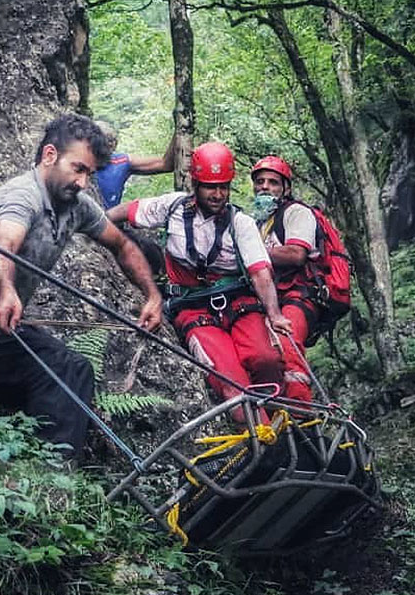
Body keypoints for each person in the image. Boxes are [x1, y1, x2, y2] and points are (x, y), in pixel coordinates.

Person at [0, 114, 163, 459]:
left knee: (70, 377)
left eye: (89, 174)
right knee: (67, 367)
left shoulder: (77, 206)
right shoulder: (23, 196)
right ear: (49, 155)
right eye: (77, 168)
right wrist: (6, 291)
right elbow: (3, 243)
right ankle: (53, 477)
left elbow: (122, 245)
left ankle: (45, 460)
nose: (82, 182)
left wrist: (152, 296)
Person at [106, 142, 292, 416]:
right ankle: (258, 436)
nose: (218, 194)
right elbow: (129, 210)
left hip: (238, 304)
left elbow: (260, 271)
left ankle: (280, 422)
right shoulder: (172, 208)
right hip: (192, 308)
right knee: (230, 380)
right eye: (210, 187)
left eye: (223, 187)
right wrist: (97, 222)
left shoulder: (240, 223)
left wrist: (274, 314)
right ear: (196, 184)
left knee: (267, 360)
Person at [250, 156, 320, 404]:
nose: (265, 187)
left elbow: (296, 254)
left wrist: (249, 252)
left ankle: (303, 416)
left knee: (287, 347)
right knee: (261, 354)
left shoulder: (296, 213)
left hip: (298, 295)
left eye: (273, 182)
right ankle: (277, 413)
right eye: (260, 182)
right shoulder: (257, 223)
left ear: (285, 188)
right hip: (268, 300)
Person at [94, 122, 176, 208]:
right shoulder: (80, 162)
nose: (107, 148)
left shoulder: (121, 162)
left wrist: (179, 130)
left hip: (108, 218)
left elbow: (165, 164)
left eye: (111, 143)